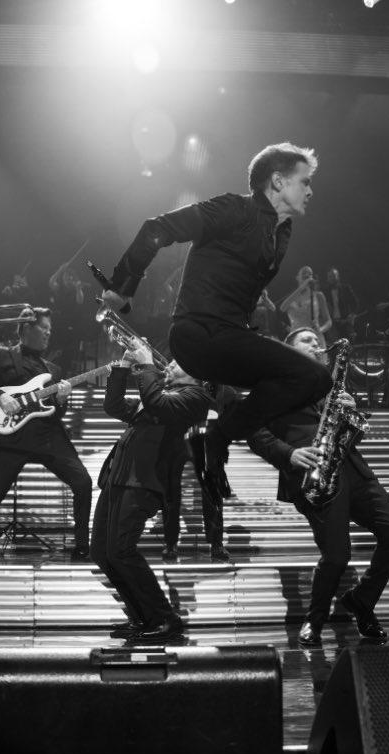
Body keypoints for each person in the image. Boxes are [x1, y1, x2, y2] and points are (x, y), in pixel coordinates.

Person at [101, 142, 332, 502]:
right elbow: (156, 229)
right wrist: (122, 286)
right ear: (277, 181)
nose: (311, 191)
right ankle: (220, 437)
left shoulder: (280, 232)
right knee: (311, 375)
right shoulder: (233, 208)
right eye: (305, 181)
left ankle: (216, 439)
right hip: (198, 333)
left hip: (228, 337)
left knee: (312, 379)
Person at [248, 327, 389, 646]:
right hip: (314, 475)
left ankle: (361, 600)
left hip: (352, 471)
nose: (316, 344)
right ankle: (315, 619)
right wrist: (289, 453)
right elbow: (254, 432)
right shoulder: (273, 386)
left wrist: (350, 410)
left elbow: (351, 436)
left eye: (317, 340)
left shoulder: (332, 385)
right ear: (289, 349)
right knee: (336, 556)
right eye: (307, 340)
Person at [92, 346, 213, 642]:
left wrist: (147, 365)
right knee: (102, 553)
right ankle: (141, 617)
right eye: (167, 362)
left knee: (122, 551)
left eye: (176, 364)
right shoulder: (161, 395)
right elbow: (114, 407)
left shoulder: (196, 397)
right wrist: (122, 368)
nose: (168, 366)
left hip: (145, 481)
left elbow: (158, 404)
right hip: (118, 477)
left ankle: (164, 618)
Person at [0, 307, 92, 560]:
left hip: (47, 437)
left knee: (83, 482)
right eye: (44, 328)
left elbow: (56, 413)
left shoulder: (53, 369)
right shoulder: (1, 354)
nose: (48, 334)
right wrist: (0, 396)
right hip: (12, 437)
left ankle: (82, 547)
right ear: (27, 327)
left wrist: (61, 400)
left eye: (50, 330)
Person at [160, 382, 240, 563]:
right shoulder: (176, 381)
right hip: (176, 440)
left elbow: (235, 410)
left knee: (212, 491)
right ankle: (171, 543)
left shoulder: (221, 387)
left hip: (206, 440)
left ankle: (216, 543)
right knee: (171, 492)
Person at [280, 265, 332, 348]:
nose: (307, 275)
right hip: (296, 339)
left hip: (315, 337)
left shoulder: (318, 295)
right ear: (297, 277)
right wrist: (301, 287)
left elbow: (328, 321)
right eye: (304, 272)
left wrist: (320, 329)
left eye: (310, 274)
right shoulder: (291, 297)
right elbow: (282, 308)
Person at [322, 266, 361, 342]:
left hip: (345, 321)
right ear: (327, 278)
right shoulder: (324, 291)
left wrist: (353, 314)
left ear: (338, 276)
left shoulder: (345, 288)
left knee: (347, 344)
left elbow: (355, 302)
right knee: (334, 345)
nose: (332, 278)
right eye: (330, 276)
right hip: (332, 324)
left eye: (334, 276)